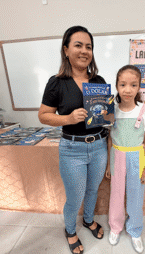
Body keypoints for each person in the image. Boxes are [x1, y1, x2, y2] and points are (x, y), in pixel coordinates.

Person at [38, 26, 109, 254]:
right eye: (78, 45)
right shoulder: (57, 82)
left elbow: (105, 116)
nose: (84, 50)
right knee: (75, 195)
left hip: (99, 145)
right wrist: (67, 118)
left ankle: (88, 220)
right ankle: (70, 230)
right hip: (72, 149)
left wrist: (110, 112)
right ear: (66, 49)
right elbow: (43, 115)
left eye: (88, 46)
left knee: (92, 190)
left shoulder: (98, 80)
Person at [101, 65, 145, 252]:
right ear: (116, 86)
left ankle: (135, 230)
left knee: (136, 195)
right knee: (116, 194)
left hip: (137, 157)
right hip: (116, 155)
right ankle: (115, 227)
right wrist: (109, 163)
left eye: (133, 85)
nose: (127, 89)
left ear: (139, 86)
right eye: (123, 84)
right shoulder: (111, 110)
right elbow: (109, 138)